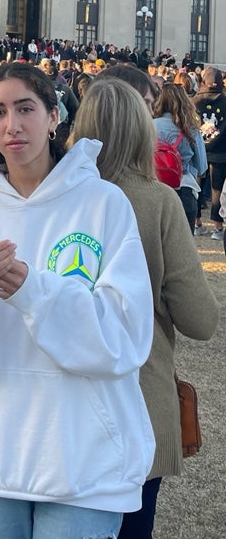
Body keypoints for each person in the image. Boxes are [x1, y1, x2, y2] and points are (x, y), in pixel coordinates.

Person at [0, 62, 155, 539]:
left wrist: (33, 291)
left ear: (53, 116)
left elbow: (126, 337)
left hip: (83, 457)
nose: (13, 125)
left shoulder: (104, 205)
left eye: (26, 109)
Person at [69, 78, 219, 539]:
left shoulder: (56, 193)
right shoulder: (157, 201)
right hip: (138, 389)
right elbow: (200, 319)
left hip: (66, 395)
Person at [153, 83, 207, 233]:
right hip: (184, 189)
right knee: (184, 248)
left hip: (155, 188)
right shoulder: (191, 129)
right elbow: (202, 166)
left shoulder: (150, 125)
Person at [193, 67, 226, 241]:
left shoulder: (194, 101)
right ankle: (218, 227)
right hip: (220, 152)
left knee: (197, 187)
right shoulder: (225, 100)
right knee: (218, 190)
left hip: (199, 151)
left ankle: (197, 223)